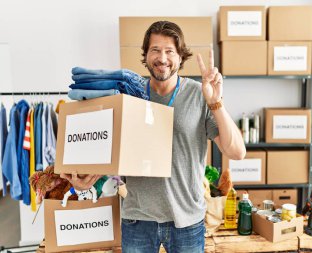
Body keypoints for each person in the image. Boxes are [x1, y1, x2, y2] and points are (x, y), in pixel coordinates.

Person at [61, 21, 246, 253]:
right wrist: (85, 180)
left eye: (170, 51)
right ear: (146, 55)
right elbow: (110, 150)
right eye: (155, 50)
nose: (162, 58)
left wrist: (215, 102)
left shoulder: (199, 95)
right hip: (138, 219)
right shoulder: (128, 95)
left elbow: (237, 152)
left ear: (180, 57)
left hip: (187, 221)